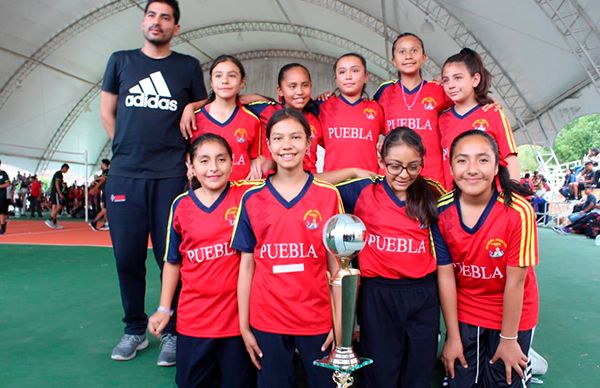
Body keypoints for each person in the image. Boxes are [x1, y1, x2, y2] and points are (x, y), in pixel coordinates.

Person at [99, 0, 207, 365]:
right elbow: (107, 112)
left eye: (165, 18)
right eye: (151, 15)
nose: (157, 22)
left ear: (176, 27)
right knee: (127, 256)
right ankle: (134, 330)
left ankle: (172, 331)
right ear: (143, 21)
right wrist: (127, 151)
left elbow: (205, 105)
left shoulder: (187, 67)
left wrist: (192, 107)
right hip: (126, 174)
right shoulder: (121, 61)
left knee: (170, 257)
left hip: (171, 175)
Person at [232, 108, 341, 388]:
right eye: (278, 138)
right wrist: (244, 325)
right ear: (268, 145)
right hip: (267, 319)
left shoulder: (328, 195)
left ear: (308, 142)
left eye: (295, 137)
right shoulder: (252, 197)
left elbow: (336, 266)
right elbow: (247, 265)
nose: (287, 145)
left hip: (316, 319)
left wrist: (340, 321)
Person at [335, 127, 444, 387]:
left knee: (418, 372)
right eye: (394, 166)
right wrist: (352, 171)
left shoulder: (433, 193)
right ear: (381, 160)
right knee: (380, 373)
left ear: (422, 163)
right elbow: (310, 183)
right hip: (378, 296)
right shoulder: (362, 190)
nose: (404, 175)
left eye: (413, 167)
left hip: (423, 296)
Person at [147, 134, 256, 387]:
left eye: (221, 159)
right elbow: (173, 261)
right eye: (204, 161)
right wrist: (164, 309)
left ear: (232, 162)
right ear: (191, 167)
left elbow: (288, 182)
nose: (213, 168)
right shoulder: (181, 205)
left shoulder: (246, 197)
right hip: (194, 322)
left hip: (237, 323)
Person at [435, 130, 539, 387]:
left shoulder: (518, 211)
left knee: (503, 378)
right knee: (461, 380)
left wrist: (509, 340)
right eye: (462, 160)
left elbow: (515, 283)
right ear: (450, 167)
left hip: (513, 313)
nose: (472, 169)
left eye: (482, 160)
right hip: (467, 310)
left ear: (496, 167)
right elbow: (446, 276)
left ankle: (527, 361)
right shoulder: (442, 210)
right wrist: (452, 336)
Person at [374, 33, 453, 185]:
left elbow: (466, 104)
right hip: (393, 177)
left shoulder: (439, 90)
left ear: (424, 57)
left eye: (414, 50)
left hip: (431, 177)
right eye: (402, 51)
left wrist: (488, 101)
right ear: (394, 61)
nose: (408, 56)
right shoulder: (384, 92)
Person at [439, 48, 520, 191]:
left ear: (475, 79)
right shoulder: (441, 119)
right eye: (446, 80)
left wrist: (512, 196)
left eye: (458, 78)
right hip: (454, 204)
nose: (451, 85)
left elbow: (510, 159)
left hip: (489, 201)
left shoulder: (493, 113)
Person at [191, 55, 264, 180]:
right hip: (207, 192)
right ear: (211, 83)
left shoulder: (252, 120)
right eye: (218, 76)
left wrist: (259, 163)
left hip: (241, 192)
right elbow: (188, 153)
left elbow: (255, 156)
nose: (224, 80)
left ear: (242, 82)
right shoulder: (195, 118)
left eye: (232, 75)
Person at [246, 63, 322, 173]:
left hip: (309, 184)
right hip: (273, 182)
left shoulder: (316, 116)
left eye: (305, 85)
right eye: (292, 86)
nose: (300, 91)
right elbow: (234, 100)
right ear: (280, 90)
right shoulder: (267, 111)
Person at [317, 53, 385, 173]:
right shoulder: (323, 107)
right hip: (334, 183)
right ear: (336, 80)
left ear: (366, 77)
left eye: (355, 70)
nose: (348, 76)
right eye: (342, 72)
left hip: (368, 182)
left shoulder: (376, 109)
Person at [44, 163, 69, 229]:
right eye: (66, 169)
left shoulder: (58, 174)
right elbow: (57, 184)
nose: (66, 171)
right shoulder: (59, 174)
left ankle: (54, 222)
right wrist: (60, 193)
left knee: (54, 207)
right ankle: (50, 219)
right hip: (56, 193)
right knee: (59, 206)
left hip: (54, 192)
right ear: (64, 168)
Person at [89, 159, 110, 231]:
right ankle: (94, 222)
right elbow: (103, 180)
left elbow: (103, 179)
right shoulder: (104, 173)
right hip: (106, 193)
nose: (100, 165)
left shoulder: (107, 172)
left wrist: (95, 183)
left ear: (104, 164)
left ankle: (106, 223)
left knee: (106, 209)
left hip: (106, 192)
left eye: (101, 164)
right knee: (105, 209)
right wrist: (95, 184)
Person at [0, 160, 10, 235]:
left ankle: (3, 228)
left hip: (1, 196)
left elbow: (8, 183)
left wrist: (0, 186)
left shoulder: (3, 174)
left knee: (1, 212)